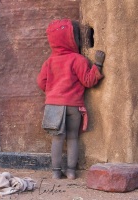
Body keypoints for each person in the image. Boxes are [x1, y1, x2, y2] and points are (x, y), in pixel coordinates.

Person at [37, 19, 105, 179]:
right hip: (74, 107)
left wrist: (53, 93)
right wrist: (98, 66)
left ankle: (55, 173)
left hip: (53, 106)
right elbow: (89, 81)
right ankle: (71, 172)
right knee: (73, 138)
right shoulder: (78, 59)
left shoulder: (49, 62)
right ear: (70, 40)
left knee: (57, 139)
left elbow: (41, 82)